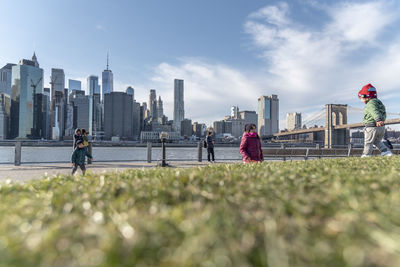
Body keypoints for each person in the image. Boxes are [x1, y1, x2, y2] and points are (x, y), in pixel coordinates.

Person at [358, 83, 393, 157]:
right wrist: (381, 120)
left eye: (360, 98)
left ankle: (366, 155)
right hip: (381, 127)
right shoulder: (379, 103)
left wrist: (378, 119)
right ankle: (386, 152)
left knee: (368, 142)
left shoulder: (370, 104)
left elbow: (374, 111)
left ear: (365, 97)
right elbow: (383, 113)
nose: (360, 100)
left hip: (372, 127)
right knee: (376, 141)